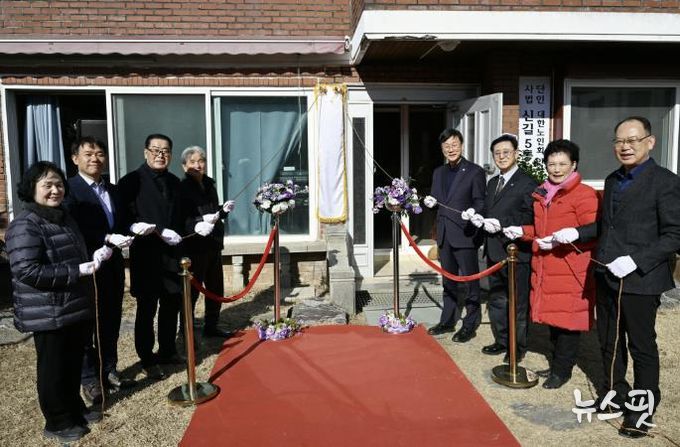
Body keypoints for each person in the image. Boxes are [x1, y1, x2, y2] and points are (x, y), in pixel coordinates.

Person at [551, 116, 680, 438]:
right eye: (620, 141)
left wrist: (636, 260)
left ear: (650, 142)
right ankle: (614, 394)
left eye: (633, 140)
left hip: (641, 280)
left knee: (641, 346)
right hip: (607, 275)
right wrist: (576, 232)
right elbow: (605, 225)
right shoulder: (612, 180)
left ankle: (642, 408)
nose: (625, 147)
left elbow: (674, 234)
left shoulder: (665, 181)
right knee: (609, 341)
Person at [5, 161, 109, 443]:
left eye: (59, 184)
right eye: (47, 185)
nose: (55, 190)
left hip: (72, 305)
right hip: (47, 310)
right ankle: (57, 421)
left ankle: (74, 409)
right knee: (53, 368)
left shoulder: (63, 217)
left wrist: (96, 255)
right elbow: (26, 270)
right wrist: (76, 271)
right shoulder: (25, 224)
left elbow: (72, 253)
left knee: (72, 363)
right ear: (32, 189)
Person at [503, 139, 598, 389]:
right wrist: (522, 231)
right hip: (547, 267)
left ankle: (562, 371)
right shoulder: (542, 193)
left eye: (562, 164)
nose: (556, 169)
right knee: (554, 322)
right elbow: (540, 231)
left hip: (570, 269)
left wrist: (570, 236)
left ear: (574, 165)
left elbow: (594, 231)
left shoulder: (584, 194)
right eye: (551, 164)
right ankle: (556, 363)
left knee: (567, 324)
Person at [63, 137, 136, 405]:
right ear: (75, 158)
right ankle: (89, 378)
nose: (95, 158)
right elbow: (72, 227)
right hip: (87, 266)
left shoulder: (113, 189)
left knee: (110, 319)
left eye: (100, 153)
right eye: (88, 153)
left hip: (112, 265)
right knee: (86, 324)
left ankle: (109, 369)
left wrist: (132, 230)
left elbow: (123, 221)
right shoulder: (68, 190)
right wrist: (104, 238)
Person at [118, 133, 184, 380]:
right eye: (155, 149)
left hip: (172, 255)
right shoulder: (130, 181)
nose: (160, 154)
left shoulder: (175, 182)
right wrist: (138, 227)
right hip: (146, 256)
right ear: (145, 152)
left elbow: (182, 217)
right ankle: (146, 357)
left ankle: (168, 349)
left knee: (171, 304)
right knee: (147, 309)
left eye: (165, 150)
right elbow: (123, 217)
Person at [472, 134, 537, 363]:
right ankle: (501, 340)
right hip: (494, 252)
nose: (501, 157)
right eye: (497, 153)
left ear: (516, 153)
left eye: (506, 152)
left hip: (515, 253)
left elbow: (530, 216)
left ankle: (516, 348)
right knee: (497, 299)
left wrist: (502, 223)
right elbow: (489, 211)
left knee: (517, 303)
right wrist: (477, 217)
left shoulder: (528, 182)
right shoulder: (493, 182)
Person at [427, 128, 486, 342]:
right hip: (444, 234)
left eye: (454, 145)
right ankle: (447, 320)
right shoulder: (438, 172)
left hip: (465, 234)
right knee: (448, 282)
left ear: (461, 146)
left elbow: (480, 201)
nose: (451, 149)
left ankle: (470, 324)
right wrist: (430, 202)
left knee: (470, 283)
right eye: (446, 146)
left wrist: (473, 211)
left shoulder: (475, 171)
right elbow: (436, 199)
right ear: (442, 149)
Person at [178, 145, 234, 338]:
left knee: (215, 287)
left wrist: (222, 210)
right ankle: (186, 329)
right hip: (195, 247)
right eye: (192, 162)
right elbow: (182, 218)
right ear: (184, 166)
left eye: (201, 161)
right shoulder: (182, 188)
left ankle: (212, 326)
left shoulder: (209, 184)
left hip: (214, 243)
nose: (197, 165)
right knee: (193, 291)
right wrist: (199, 221)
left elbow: (212, 212)